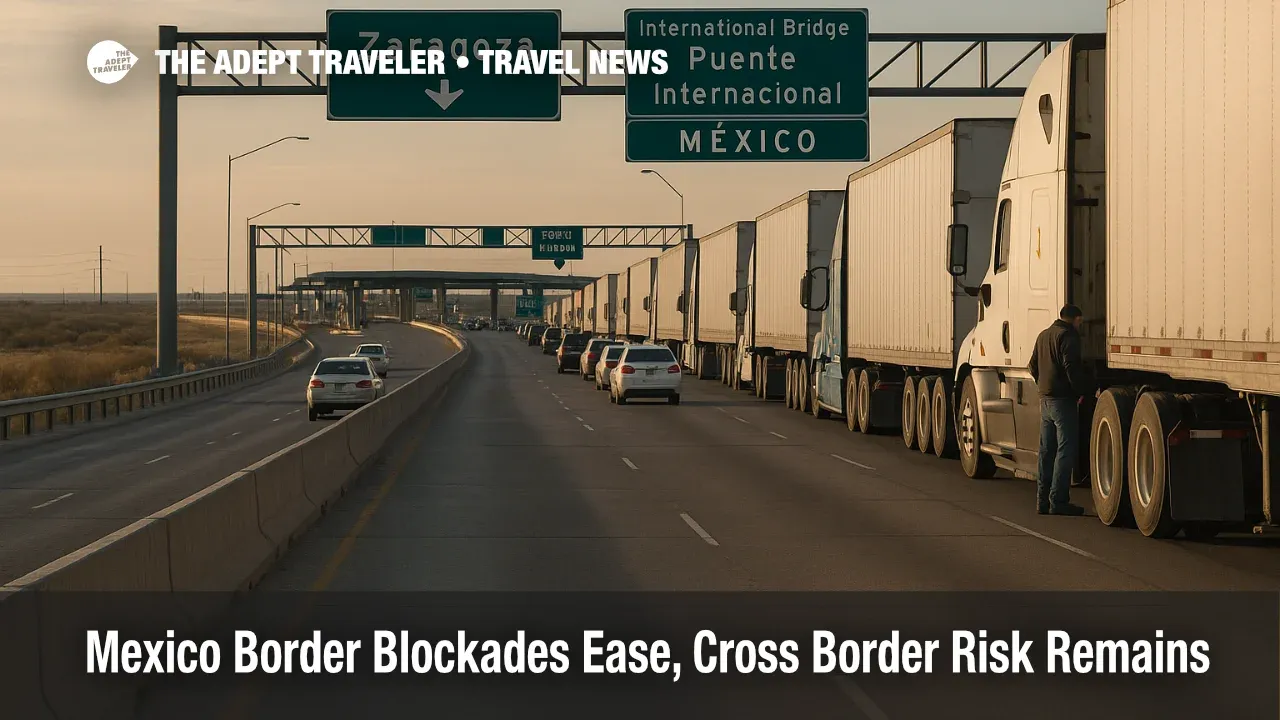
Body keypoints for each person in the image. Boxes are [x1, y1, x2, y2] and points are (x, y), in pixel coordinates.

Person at [1028, 304, 1092, 516]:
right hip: (1063, 400)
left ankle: (1041, 501)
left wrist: (1042, 385)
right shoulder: (1068, 337)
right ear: (1075, 319)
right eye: (1080, 321)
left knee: (1047, 451)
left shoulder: (1043, 335)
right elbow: (1071, 368)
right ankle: (1059, 501)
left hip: (1045, 399)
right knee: (1065, 450)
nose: (1080, 325)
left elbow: (1032, 366)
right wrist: (1083, 391)